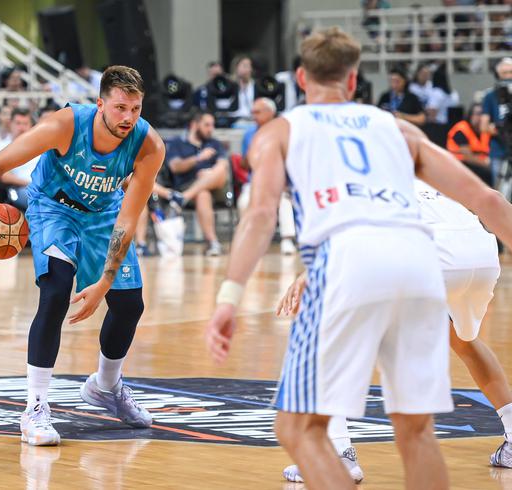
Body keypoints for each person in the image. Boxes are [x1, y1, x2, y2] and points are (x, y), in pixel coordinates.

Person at [205, 27, 512, 490]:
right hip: (417, 263)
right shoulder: (398, 128)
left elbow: (261, 215)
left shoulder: (280, 131)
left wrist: (229, 297)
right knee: (416, 430)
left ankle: (342, 455)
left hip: (354, 263)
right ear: (353, 82)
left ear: (302, 80)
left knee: (295, 426)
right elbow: (488, 199)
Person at [0, 65, 165, 446]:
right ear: (101, 103)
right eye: (120, 108)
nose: (128, 118)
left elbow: (129, 217)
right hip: (53, 207)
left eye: (135, 109)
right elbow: (0, 162)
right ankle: (35, 408)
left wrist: (104, 281)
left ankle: (106, 386)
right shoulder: (66, 124)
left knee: (129, 304)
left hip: (104, 214)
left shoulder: (148, 145)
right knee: (55, 292)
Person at [279, 178, 512, 484]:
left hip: (430, 255)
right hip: (481, 254)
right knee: (463, 340)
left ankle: (337, 455)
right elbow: (493, 198)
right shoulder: (424, 172)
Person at [236, 97, 296, 254]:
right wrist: (249, 155)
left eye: (257, 112)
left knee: (285, 201)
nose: (254, 116)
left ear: (270, 113)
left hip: (280, 182)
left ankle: (287, 240)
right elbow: (243, 165)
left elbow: (291, 160)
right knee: (244, 201)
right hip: (255, 182)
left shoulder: (284, 131)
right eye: (252, 112)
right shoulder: (249, 134)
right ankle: (251, 241)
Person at [166, 111, 229, 256]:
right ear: (194, 125)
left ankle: (183, 198)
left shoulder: (214, 143)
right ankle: (213, 243)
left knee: (220, 171)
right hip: (187, 184)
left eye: (212, 125)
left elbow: (222, 166)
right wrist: (198, 158)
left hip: (217, 187)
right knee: (203, 194)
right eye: (207, 125)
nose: (211, 129)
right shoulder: (178, 143)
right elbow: (175, 167)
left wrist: (209, 173)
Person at [0, 107, 37, 210]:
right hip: (18, 189)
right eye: (18, 123)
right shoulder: (1, 147)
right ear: (11, 124)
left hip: (41, 188)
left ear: (31, 126)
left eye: (25, 124)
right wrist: (31, 184)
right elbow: (5, 176)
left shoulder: (39, 146)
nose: (21, 128)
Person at [481, 57, 512, 186]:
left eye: (511, 72)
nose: (508, 77)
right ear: (497, 75)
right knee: (500, 192)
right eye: (504, 73)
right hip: (499, 150)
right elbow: (484, 126)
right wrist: (499, 129)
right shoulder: (490, 95)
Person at [447, 103, 492, 185]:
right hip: (459, 165)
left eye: (482, 114)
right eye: (477, 114)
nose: (479, 117)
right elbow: (468, 157)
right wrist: (487, 165)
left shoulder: (485, 131)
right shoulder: (461, 129)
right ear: (470, 115)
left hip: (479, 164)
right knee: (487, 174)